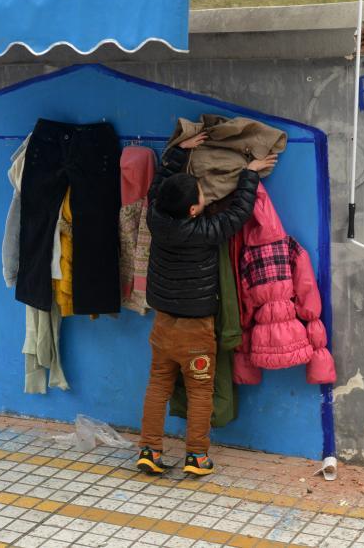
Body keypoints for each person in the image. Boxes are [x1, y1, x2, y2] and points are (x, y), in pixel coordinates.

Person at [137, 132, 276, 476]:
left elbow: (158, 189)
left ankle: (149, 450)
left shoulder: (156, 217)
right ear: (194, 209)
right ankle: (196, 456)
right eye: (200, 195)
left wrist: (174, 157)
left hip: (163, 323)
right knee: (201, 391)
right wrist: (250, 174)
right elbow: (239, 213)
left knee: (158, 385)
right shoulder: (204, 232)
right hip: (196, 329)